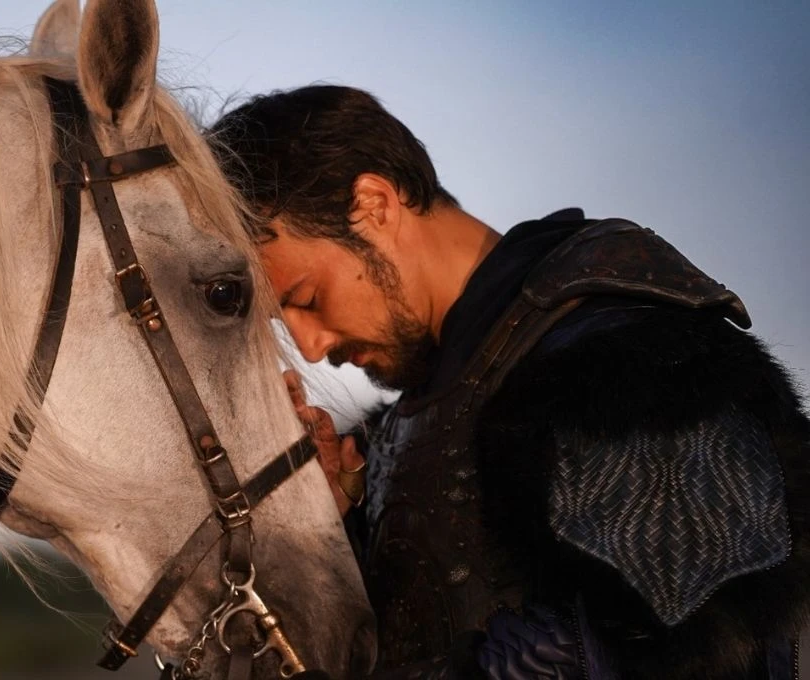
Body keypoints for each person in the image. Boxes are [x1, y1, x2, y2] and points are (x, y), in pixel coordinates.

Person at [208, 85, 810, 679]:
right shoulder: (415, 414)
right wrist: (335, 519)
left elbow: (715, 652)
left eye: (308, 299)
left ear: (373, 204)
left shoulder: (626, 356)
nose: (314, 348)